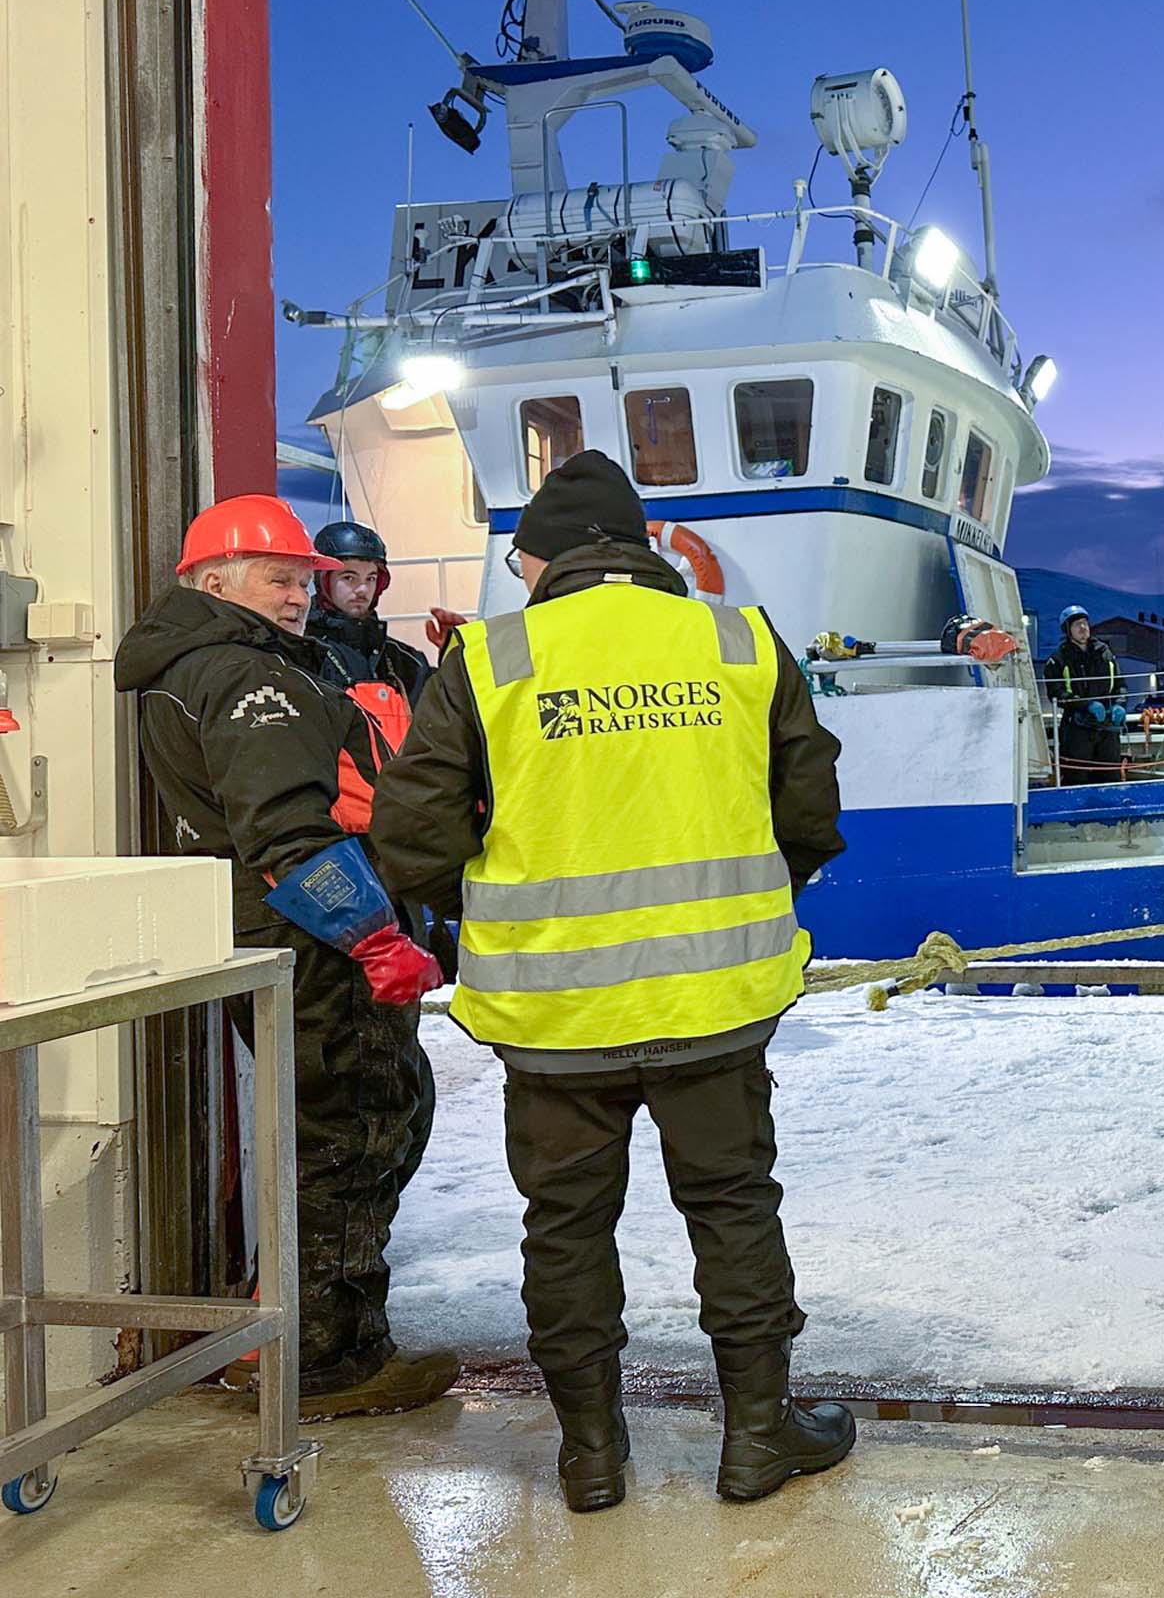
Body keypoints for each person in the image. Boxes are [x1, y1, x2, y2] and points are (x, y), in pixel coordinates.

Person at [370, 449, 851, 1514]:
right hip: (712, 1005)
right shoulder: (738, 641)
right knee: (732, 1210)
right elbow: (810, 813)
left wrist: (503, 911)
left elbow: (410, 837)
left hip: (555, 1015)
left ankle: (589, 1454)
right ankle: (757, 1438)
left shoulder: (492, 657)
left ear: (540, 560)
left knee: (566, 1225)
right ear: (640, 549)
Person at [115, 493, 454, 1419]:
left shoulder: (204, 664)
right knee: (352, 1134)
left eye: (306, 579)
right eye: (279, 578)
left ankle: (295, 1340)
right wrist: (375, 938)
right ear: (212, 581)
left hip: (272, 932)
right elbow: (286, 835)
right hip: (312, 940)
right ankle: (329, 1363)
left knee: (365, 1121)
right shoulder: (244, 676)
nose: (301, 595)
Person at [308, 518, 434, 709]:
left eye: (371, 578)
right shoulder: (303, 653)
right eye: (349, 577)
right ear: (324, 581)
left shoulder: (406, 661)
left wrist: (454, 651)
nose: (363, 589)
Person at [1041, 604, 1124, 785]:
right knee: (1077, 777)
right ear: (1067, 630)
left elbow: (1119, 684)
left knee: (1110, 774)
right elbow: (1056, 693)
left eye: (1085, 623)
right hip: (1077, 729)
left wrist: (1119, 704)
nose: (1083, 627)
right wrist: (1086, 705)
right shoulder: (1058, 659)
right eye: (1077, 624)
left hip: (1106, 727)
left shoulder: (1104, 653)